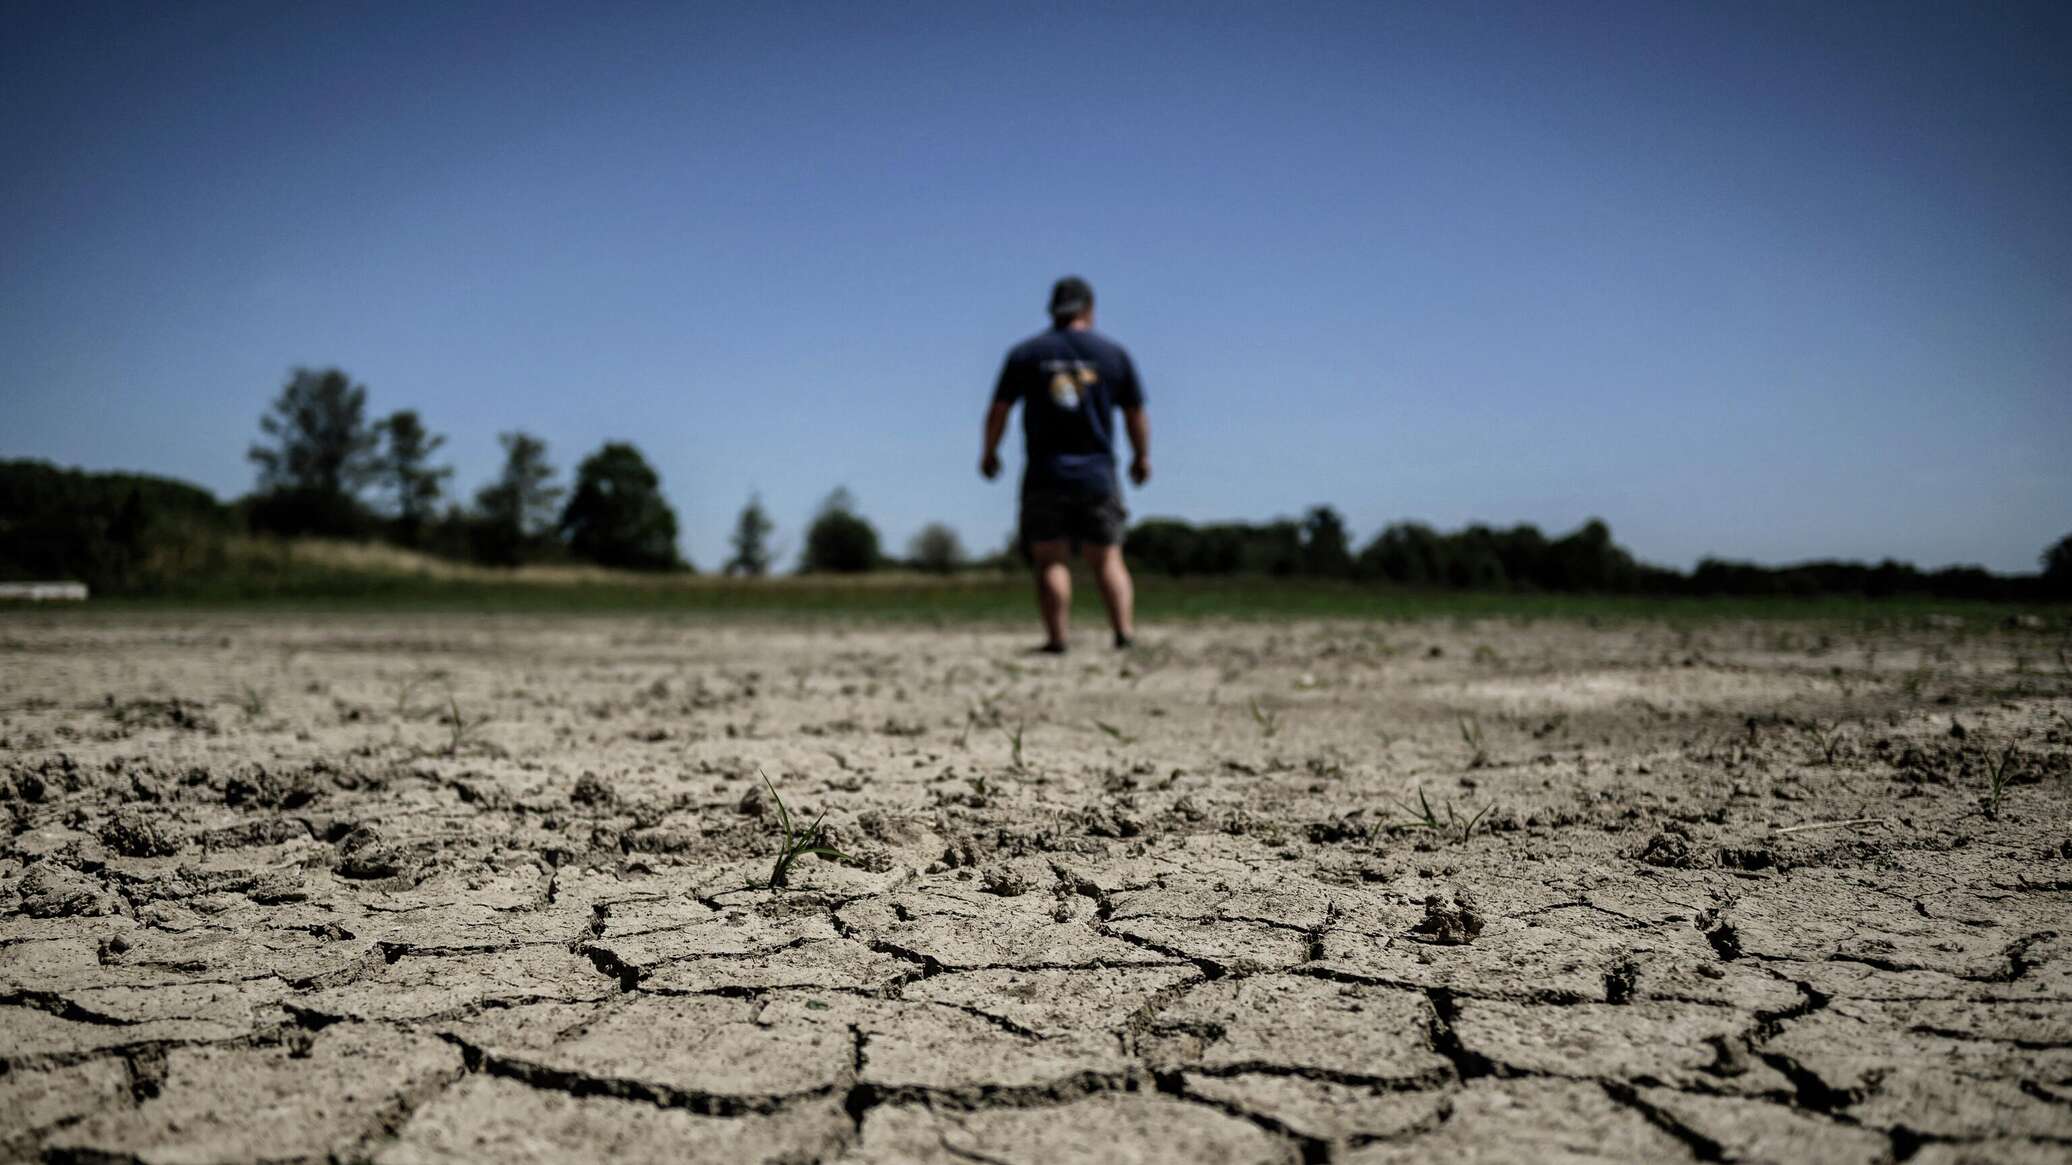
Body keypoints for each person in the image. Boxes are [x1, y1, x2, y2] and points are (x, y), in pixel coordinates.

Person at [980, 276, 1150, 653]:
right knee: (1107, 556)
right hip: (1098, 472)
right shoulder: (1112, 354)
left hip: (1046, 472)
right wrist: (1142, 457)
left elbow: (999, 410)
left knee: (1050, 557)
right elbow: (1135, 413)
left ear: (1053, 309)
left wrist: (989, 452)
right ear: (1089, 309)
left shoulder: (1026, 354)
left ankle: (1057, 639)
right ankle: (1123, 632)